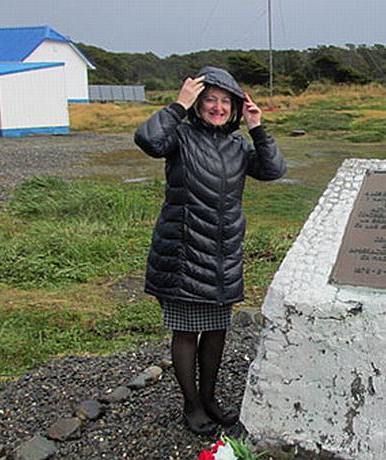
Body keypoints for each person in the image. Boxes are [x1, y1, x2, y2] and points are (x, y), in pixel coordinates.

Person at [134, 66, 286, 436]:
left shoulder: (237, 145)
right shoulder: (180, 136)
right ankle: (192, 403)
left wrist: (257, 127)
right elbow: (148, 140)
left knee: (216, 330)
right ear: (198, 104)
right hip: (184, 252)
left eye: (225, 102)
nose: (217, 107)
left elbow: (273, 170)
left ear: (234, 107)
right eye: (209, 101)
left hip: (223, 254)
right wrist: (177, 105)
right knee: (186, 332)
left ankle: (210, 397)